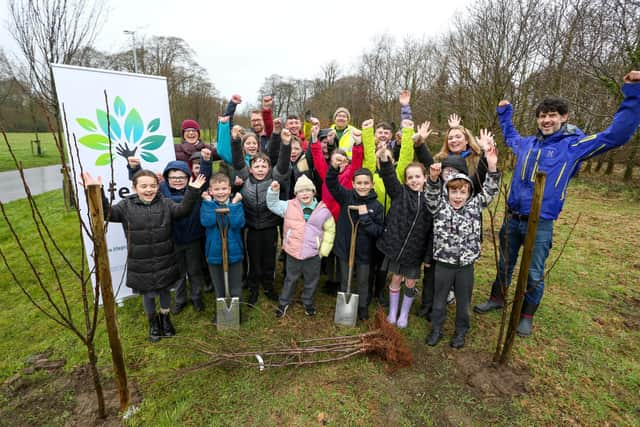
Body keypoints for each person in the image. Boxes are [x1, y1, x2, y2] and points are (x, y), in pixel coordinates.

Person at [474, 70, 640, 337]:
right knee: (505, 262)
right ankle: (497, 298)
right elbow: (510, 137)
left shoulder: (574, 146)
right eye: (542, 115)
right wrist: (504, 115)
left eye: (552, 115)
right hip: (512, 217)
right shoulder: (526, 144)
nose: (546, 120)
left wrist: (633, 94)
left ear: (564, 118)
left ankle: (527, 315)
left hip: (540, 223)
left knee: (534, 270)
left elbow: (615, 136)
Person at [81, 170, 206, 342]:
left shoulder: (165, 203)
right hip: (141, 261)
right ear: (134, 187)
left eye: (153, 186)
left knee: (164, 291)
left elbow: (183, 210)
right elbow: (107, 212)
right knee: (148, 294)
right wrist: (96, 190)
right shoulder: (126, 206)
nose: (149, 189)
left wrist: (192, 191)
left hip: (165, 258)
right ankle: (153, 323)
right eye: (144, 186)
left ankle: (165, 318)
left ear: (158, 186)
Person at [425, 136, 500, 348]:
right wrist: (432, 179)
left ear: (468, 192)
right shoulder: (439, 206)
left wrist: (492, 165)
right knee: (439, 301)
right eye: (453, 191)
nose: (458, 196)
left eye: (462, 191)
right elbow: (430, 195)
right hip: (444, 265)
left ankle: (460, 332)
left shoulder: (475, 205)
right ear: (447, 191)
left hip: (466, 266)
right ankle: (436, 329)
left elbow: (490, 189)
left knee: (463, 303)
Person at [127, 155, 211, 314]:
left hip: (193, 240)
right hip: (172, 241)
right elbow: (144, 183)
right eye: (173, 177)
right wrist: (135, 168)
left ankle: (196, 297)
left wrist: (206, 162)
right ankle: (180, 300)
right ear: (166, 178)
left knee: (194, 271)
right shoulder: (162, 191)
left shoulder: (196, 188)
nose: (178, 180)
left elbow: (204, 177)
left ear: (188, 177)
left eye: (181, 177)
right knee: (178, 274)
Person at [375, 131, 432, 329]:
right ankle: (392, 312)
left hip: (415, 252)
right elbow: (389, 176)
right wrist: (383, 157)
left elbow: (431, 232)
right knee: (396, 278)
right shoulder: (400, 193)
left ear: (425, 178)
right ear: (406, 180)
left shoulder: (430, 200)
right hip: (396, 248)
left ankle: (404, 314)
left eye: (418, 177)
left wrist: (426, 257)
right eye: (410, 177)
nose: (414, 180)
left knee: (410, 282)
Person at [232, 125, 291, 306]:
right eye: (256, 166)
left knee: (268, 259)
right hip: (251, 229)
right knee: (252, 259)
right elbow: (238, 161)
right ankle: (253, 287)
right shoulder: (245, 176)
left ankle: (268, 285)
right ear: (250, 169)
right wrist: (235, 141)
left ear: (268, 168)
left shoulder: (275, 178)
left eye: (263, 166)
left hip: (270, 228)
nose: (260, 169)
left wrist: (286, 144)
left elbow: (282, 164)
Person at [267, 176, 336, 317]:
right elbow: (272, 205)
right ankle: (283, 303)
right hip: (293, 252)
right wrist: (273, 191)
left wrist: (323, 251)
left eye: (308, 191)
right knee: (290, 279)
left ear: (314, 192)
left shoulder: (322, 210)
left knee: (311, 280)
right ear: (295, 194)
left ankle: (308, 301)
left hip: (313, 254)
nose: (304, 194)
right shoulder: (289, 206)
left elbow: (330, 231)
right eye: (300, 191)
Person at [326, 165, 384, 320]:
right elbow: (331, 183)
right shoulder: (346, 197)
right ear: (353, 183)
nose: (362, 186)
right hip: (345, 248)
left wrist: (365, 217)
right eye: (359, 183)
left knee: (364, 281)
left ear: (372, 184)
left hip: (365, 252)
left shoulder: (377, 207)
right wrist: (334, 168)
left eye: (366, 183)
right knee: (345, 279)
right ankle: (346, 309)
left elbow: (378, 231)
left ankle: (363, 307)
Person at [200, 173, 245, 324]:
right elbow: (208, 222)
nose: (220, 192)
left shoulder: (235, 204)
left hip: (234, 252)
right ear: (211, 191)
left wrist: (234, 205)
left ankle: (236, 311)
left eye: (224, 188)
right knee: (219, 284)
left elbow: (238, 223)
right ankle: (221, 312)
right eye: (217, 189)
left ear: (230, 189)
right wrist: (208, 203)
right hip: (214, 254)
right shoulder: (208, 205)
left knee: (235, 284)